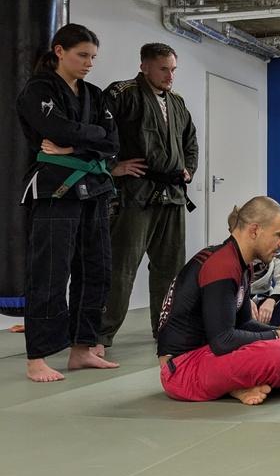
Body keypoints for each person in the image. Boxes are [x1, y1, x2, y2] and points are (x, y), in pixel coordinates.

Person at [16, 24, 120, 382]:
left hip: (94, 188)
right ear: (59, 51)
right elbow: (56, 131)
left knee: (98, 268)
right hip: (54, 189)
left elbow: (113, 143)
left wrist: (77, 145)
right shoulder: (38, 89)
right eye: (82, 55)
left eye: (92, 57)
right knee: (50, 271)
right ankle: (37, 356)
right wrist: (92, 137)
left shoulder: (95, 94)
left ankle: (82, 349)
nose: (89, 63)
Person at [157, 196, 280, 405]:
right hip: (182, 370)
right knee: (278, 355)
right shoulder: (221, 265)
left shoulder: (241, 264)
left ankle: (243, 383)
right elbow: (223, 341)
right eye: (279, 235)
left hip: (210, 354)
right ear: (255, 230)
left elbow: (244, 323)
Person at [97, 43, 199, 352]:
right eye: (163, 69)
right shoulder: (121, 94)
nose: (170, 76)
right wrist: (112, 167)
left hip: (173, 196)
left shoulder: (178, 102)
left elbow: (190, 141)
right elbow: (98, 133)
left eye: (173, 69)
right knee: (121, 267)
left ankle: (167, 329)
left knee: (171, 268)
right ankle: (100, 335)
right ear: (144, 67)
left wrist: (189, 170)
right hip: (136, 195)